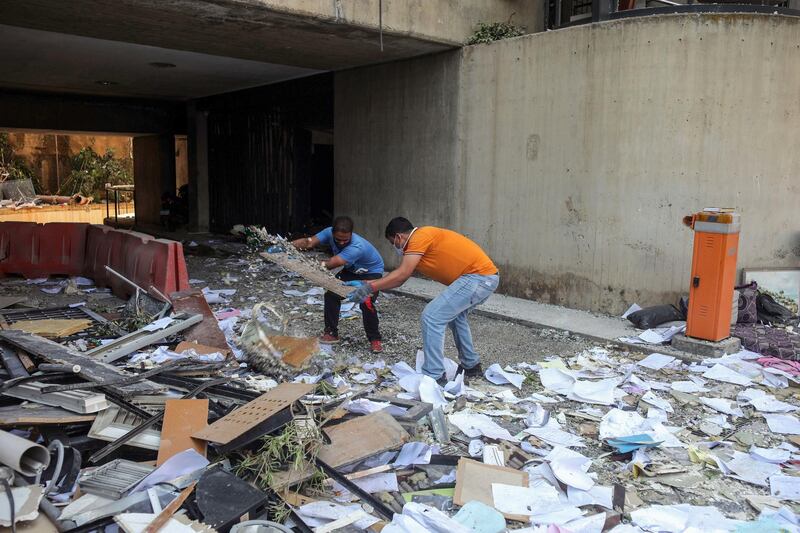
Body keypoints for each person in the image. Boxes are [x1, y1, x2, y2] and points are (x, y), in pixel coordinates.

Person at [347, 217, 499, 384]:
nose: (396, 248)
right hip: (484, 278)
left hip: (477, 278)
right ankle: (471, 366)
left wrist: (369, 288)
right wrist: (366, 284)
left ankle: (434, 376)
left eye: (393, 243)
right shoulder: (421, 241)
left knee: (431, 317)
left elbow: (401, 275)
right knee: (455, 318)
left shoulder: (419, 237)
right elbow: (398, 278)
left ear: (398, 237)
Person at [290, 216, 385, 353]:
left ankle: (375, 339)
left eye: (345, 240)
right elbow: (308, 242)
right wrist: (287, 247)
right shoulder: (328, 231)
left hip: (371, 273)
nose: (341, 243)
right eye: (337, 239)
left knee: (366, 301)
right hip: (351, 270)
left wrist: (304, 265)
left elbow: (331, 264)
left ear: (351, 234)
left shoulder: (356, 246)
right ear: (332, 232)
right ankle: (331, 333)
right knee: (331, 294)